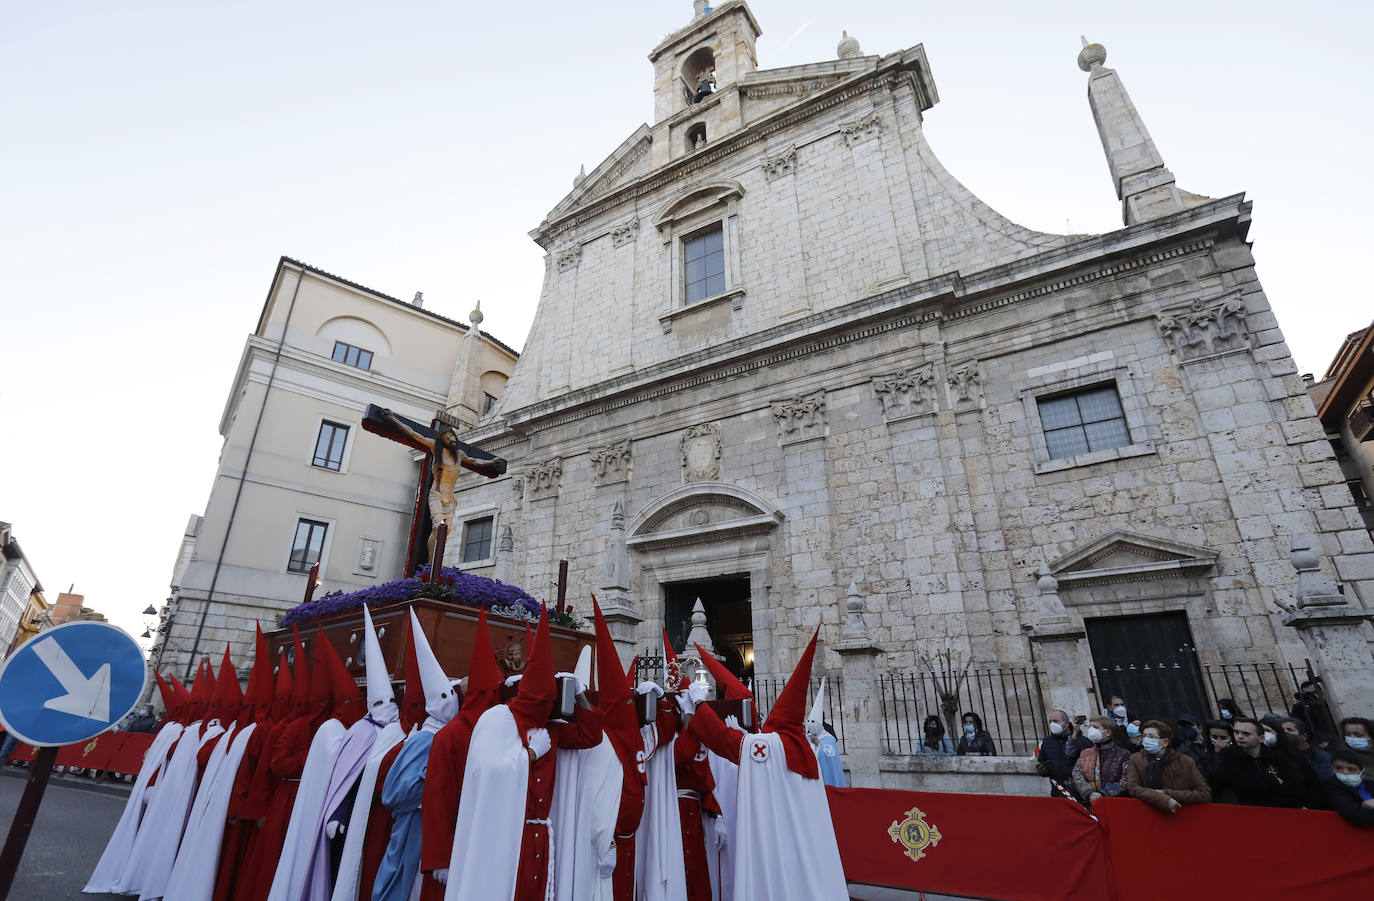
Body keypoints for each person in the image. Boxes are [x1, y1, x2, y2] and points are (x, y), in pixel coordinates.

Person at [683, 629, 849, 900]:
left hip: (779, 842)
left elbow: (727, 741)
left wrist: (699, 704)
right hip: (805, 841)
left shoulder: (771, 747)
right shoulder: (806, 748)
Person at [1212, 717, 1304, 807]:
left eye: (1246, 733)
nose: (1240, 737)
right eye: (1236, 732)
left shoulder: (1276, 756)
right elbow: (1240, 783)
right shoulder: (1228, 755)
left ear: (1261, 738)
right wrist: (1274, 781)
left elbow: (1292, 785)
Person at [1123, 720, 1211, 814]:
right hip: (1148, 814)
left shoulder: (1185, 761)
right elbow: (1133, 788)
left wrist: (1167, 793)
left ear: (1164, 742)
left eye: (1151, 736)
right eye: (1144, 736)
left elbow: (1204, 794)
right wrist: (1160, 798)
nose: (1146, 739)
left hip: (1181, 813)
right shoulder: (1136, 759)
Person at [1072, 717, 1131, 804]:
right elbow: (1077, 773)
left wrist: (1104, 793)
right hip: (1091, 803)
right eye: (1090, 727)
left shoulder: (1123, 754)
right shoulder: (1085, 753)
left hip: (1117, 803)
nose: (1091, 730)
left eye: (1095, 727)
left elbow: (1126, 779)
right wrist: (1089, 792)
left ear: (1108, 732)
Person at [1036, 709, 1088, 798]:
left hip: (1080, 792)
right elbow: (1042, 761)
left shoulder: (1082, 741)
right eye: (1050, 721)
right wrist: (1042, 770)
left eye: (1055, 721)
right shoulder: (1047, 742)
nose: (1052, 724)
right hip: (1058, 792)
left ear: (1066, 724)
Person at [806, 679, 845, 788]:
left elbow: (830, 755)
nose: (810, 724)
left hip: (825, 777)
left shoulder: (829, 737)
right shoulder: (807, 736)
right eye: (809, 721)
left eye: (813, 721)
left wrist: (818, 744)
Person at [1325, 749, 1374, 827]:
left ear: (1362, 774)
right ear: (1332, 770)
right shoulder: (1332, 788)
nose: (1345, 772)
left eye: (1351, 769)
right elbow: (1358, 816)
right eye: (1338, 768)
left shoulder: (1370, 784)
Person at [1280, 716, 1331, 781]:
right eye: (1282, 730)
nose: (1284, 733)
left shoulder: (1322, 757)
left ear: (1304, 736)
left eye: (1289, 730)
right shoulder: (1285, 756)